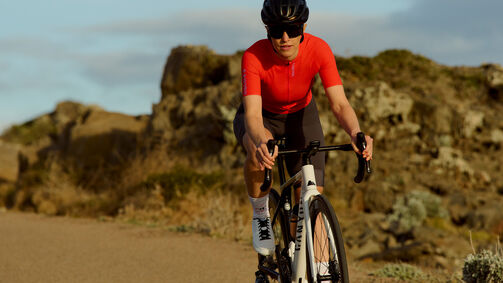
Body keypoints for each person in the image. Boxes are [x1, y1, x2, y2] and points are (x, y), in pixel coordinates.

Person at [232, 0, 373, 279]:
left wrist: (356, 133)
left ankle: (320, 270)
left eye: (292, 28)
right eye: (277, 30)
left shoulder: (319, 49)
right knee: (256, 148)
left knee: (311, 194)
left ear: (303, 28)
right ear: (267, 29)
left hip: (301, 116)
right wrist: (261, 140)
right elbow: (253, 117)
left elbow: (340, 104)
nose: (285, 38)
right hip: (262, 116)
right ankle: (261, 213)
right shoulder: (253, 56)